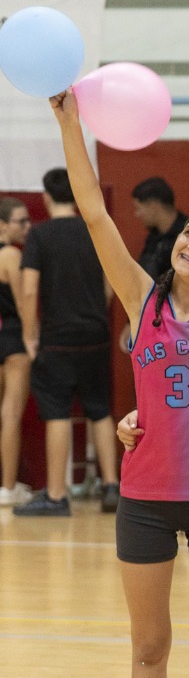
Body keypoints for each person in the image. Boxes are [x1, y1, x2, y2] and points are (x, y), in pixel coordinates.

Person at [13, 166, 121, 517]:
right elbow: (111, 282)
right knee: (99, 409)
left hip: (56, 339)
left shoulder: (40, 237)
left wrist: (30, 335)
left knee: (57, 412)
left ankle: (57, 496)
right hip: (95, 335)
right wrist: (96, 314)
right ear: (75, 197)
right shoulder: (94, 230)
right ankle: (111, 487)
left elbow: (29, 290)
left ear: (46, 197)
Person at [0, 197, 33, 505]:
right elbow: (24, 304)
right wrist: (32, 339)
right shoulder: (11, 254)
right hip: (12, 340)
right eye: (20, 222)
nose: (27, 227)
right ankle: (8, 487)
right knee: (10, 414)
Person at [131, 177, 185, 282]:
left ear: (153, 206)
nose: (137, 214)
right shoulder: (153, 238)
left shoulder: (187, 236)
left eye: (138, 208)